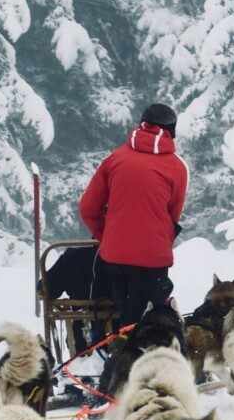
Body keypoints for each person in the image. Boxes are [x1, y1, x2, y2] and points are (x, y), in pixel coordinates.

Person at [79, 103, 188, 326]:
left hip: (115, 256)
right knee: (146, 322)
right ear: (171, 130)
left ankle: (118, 351)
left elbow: (88, 208)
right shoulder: (177, 167)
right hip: (152, 258)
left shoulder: (115, 158)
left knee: (125, 315)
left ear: (142, 124)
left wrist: (106, 235)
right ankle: (130, 354)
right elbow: (172, 217)